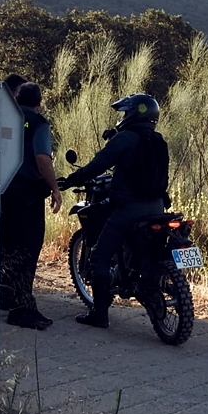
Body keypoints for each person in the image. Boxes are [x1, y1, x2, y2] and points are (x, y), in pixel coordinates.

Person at [60, 94, 169, 329]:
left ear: (132, 114)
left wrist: (70, 180)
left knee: (99, 255)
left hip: (130, 209)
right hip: (157, 206)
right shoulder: (158, 141)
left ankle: (99, 315)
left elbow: (97, 165)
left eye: (124, 113)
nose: (122, 117)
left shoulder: (126, 139)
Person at [0, 82, 62, 330]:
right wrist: (55, 189)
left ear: (16, 97)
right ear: (39, 102)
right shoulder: (38, 123)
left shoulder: (4, 119)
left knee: (7, 248)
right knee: (27, 250)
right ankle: (22, 309)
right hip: (27, 195)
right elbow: (42, 158)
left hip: (3, 191)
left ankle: (8, 299)